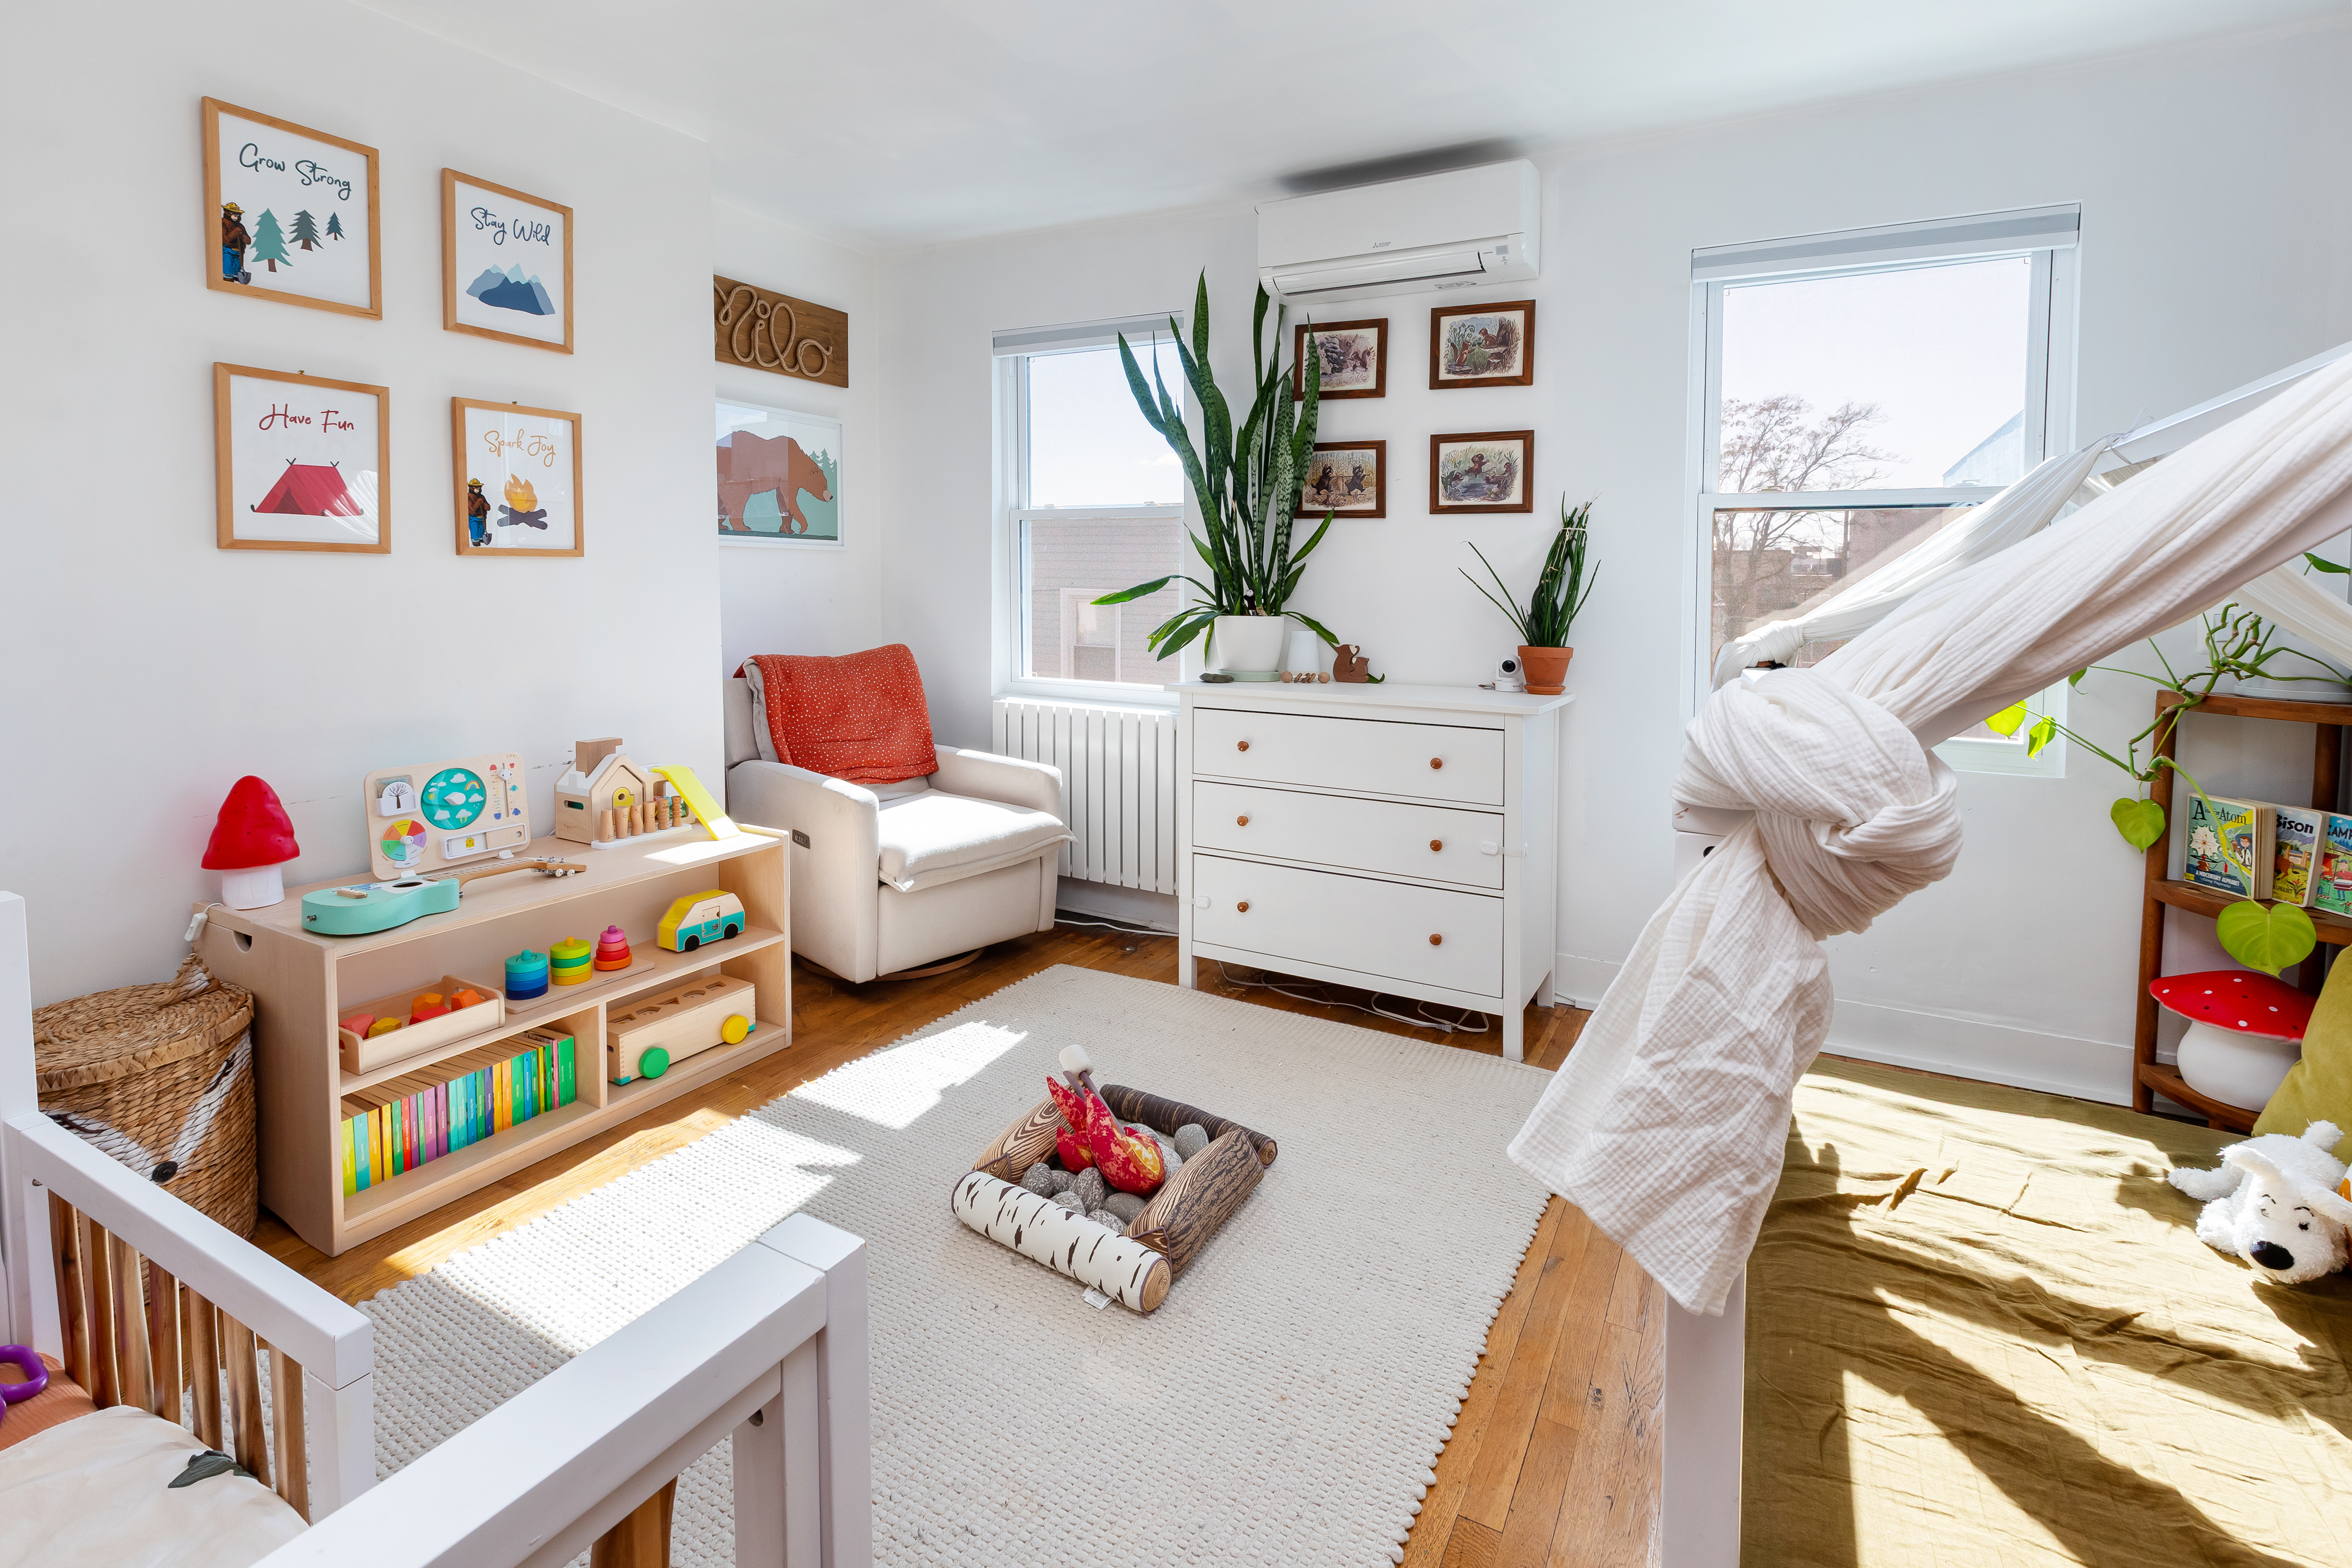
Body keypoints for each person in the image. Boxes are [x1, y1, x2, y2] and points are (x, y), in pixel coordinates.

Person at [220, 202, 250, 284]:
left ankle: (237, 277)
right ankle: (228, 277)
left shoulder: (240, 226)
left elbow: (249, 241)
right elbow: (227, 239)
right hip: (228, 249)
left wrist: (244, 237)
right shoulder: (224, 223)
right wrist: (236, 232)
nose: (235, 217)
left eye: (237, 215)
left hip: (239, 252)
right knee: (228, 265)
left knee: (237, 267)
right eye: (232, 214)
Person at [466, 478, 491, 547]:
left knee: (481, 530)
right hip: (473, 518)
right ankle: (475, 542)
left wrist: (484, 504)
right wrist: (479, 502)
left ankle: (481, 539)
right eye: (474, 488)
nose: (477, 490)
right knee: (475, 530)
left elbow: (488, 508)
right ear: (471, 488)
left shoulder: (481, 497)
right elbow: (473, 509)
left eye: (479, 488)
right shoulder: (469, 497)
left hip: (482, 518)